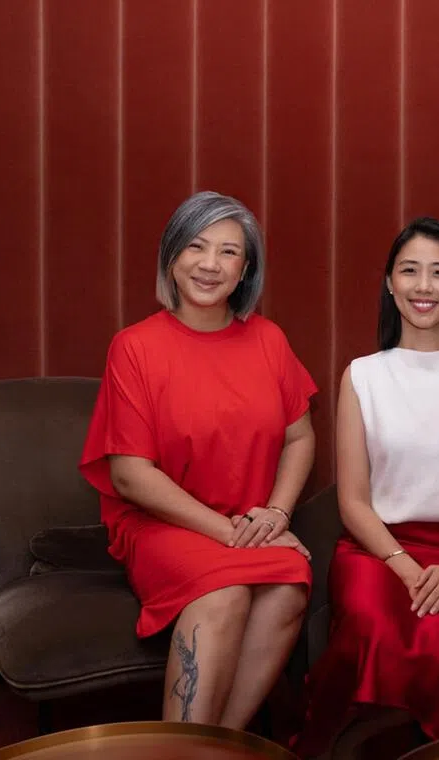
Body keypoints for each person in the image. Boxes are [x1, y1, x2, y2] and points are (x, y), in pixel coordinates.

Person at [79, 191, 316, 728]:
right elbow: (129, 475)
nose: (210, 264)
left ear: (245, 269)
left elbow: (300, 439)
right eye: (196, 246)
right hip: (161, 524)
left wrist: (274, 515)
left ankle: (218, 743)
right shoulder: (134, 347)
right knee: (226, 589)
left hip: (246, 523)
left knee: (289, 582)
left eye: (229, 252)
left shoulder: (269, 341)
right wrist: (230, 533)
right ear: (171, 257)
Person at [294, 217, 439, 756]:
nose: (424, 286)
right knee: (370, 626)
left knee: (437, 640)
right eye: (409, 272)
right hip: (378, 550)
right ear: (390, 285)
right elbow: (352, 499)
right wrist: (405, 567)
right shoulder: (362, 376)